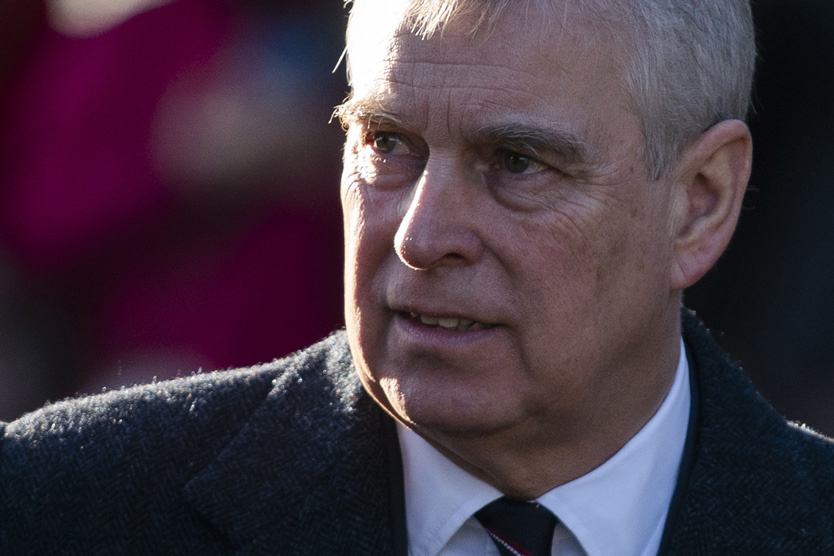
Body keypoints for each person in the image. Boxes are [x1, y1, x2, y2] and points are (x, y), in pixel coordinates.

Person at [1, 0, 833, 554]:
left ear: (699, 202)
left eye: (517, 162)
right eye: (388, 144)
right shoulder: (62, 508)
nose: (419, 236)